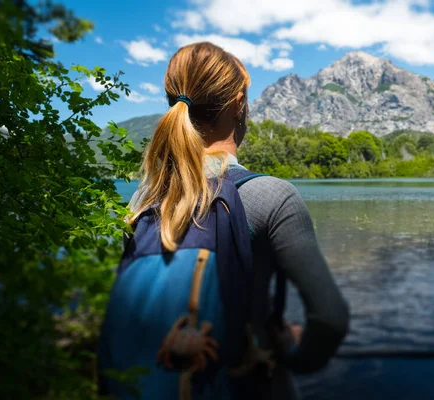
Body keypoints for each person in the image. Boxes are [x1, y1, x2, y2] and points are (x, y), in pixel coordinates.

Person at [126, 42, 349, 399]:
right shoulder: (271, 197)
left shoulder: (144, 203)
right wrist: (293, 356)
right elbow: (330, 318)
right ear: (238, 105)